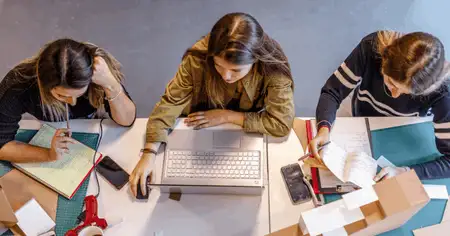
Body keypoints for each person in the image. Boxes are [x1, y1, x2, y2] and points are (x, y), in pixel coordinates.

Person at [129, 12, 295, 197]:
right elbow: (170, 102)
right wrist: (149, 153)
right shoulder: (197, 57)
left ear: (255, 59)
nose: (226, 76)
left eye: (236, 70)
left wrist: (227, 116)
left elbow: (281, 124)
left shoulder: (272, 67)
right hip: (198, 122)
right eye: (218, 65)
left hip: (242, 127)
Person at [309, 31, 450, 180]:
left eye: (406, 92)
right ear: (383, 60)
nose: (394, 95)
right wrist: (324, 128)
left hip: (403, 128)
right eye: (390, 83)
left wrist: (405, 172)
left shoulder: (444, 92)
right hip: (361, 114)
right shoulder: (371, 47)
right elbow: (332, 91)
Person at [0, 38, 136, 163]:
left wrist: (110, 84)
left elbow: (126, 120)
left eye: (79, 94)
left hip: (91, 126)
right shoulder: (19, 85)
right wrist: (48, 155)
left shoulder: (98, 74)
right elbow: (2, 145)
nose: (72, 103)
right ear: (43, 85)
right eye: (62, 96)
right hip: (49, 128)